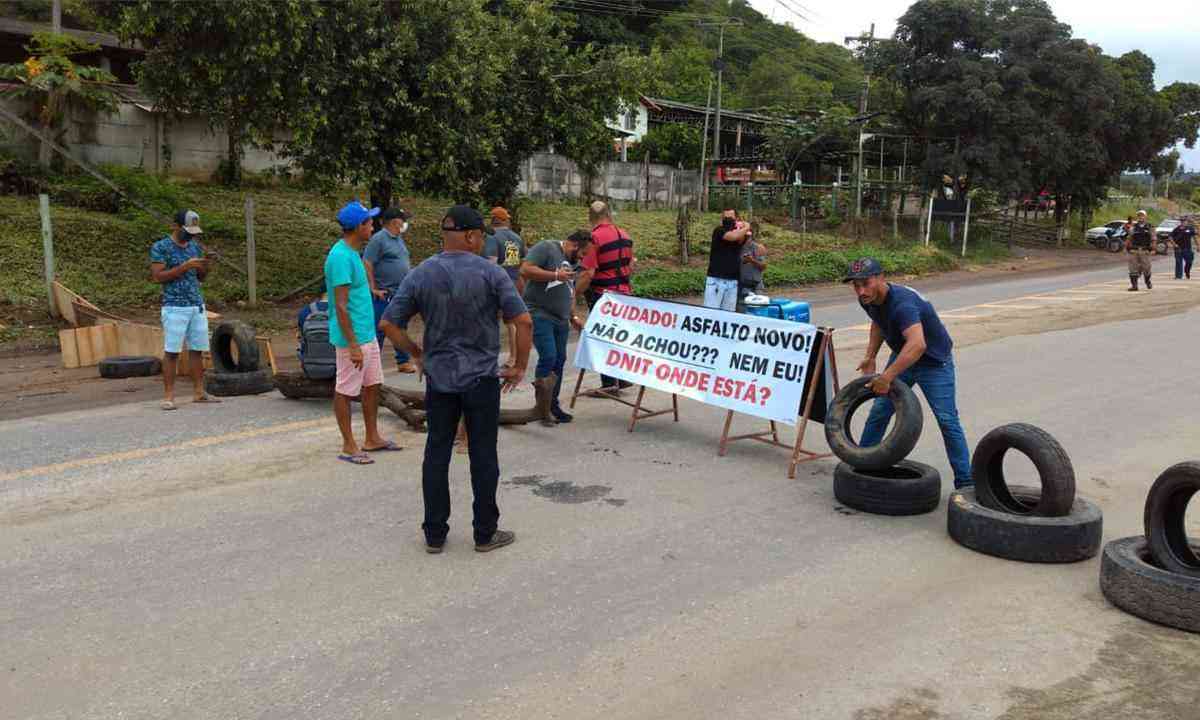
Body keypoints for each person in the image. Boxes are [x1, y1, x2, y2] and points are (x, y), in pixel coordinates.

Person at [381, 205, 532, 554]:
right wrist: (519, 366)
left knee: (436, 452)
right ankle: (485, 533)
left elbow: (389, 324)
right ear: (470, 236)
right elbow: (523, 321)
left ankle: (434, 534)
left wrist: (417, 353)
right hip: (481, 379)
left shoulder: (421, 273)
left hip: (440, 380)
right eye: (480, 236)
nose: (481, 242)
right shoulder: (491, 274)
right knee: (482, 455)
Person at [844, 257, 972, 490]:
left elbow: (918, 345)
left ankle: (966, 483)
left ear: (881, 278)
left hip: (934, 362)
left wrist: (887, 376)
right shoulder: (868, 299)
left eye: (866, 283)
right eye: (856, 285)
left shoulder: (903, 304)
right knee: (880, 411)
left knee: (947, 421)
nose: (861, 290)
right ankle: (862, 464)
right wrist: (871, 356)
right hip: (904, 355)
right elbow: (878, 323)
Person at [324, 201, 399, 466]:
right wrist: (353, 344)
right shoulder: (340, 257)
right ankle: (348, 444)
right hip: (351, 338)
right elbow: (341, 306)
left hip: (366, 334)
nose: (372, 226)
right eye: (369, 222)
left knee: (372, 386)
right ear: (358, 227)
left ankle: (372, 437)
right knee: (345, 390)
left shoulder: (353, 252)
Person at [520, 228, 592, 425]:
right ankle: (541, 407)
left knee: (560, 359)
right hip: (540, 312)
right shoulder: (546, 247)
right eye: (583, 253)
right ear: (575, 245)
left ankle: (552, 404)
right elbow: (525, 269)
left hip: (561, 318)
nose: (583, 258)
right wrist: (554, 275)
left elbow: (570, 290)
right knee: (549, 356)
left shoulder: (574, 262)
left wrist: (573, 316)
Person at [149, 209, 219, 411]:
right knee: (172, 351)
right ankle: (169, 397)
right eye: (188, 230)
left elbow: (201, 278)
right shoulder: (160, 247)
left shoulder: (194, 247)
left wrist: (206, 264)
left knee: (197, 349)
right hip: (174, 306)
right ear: (176, 226)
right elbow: (158, 277)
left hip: (196, 304)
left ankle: (199, 392)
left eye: (194, 231)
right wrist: (185, 266)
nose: (192, 234)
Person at [576, 200, 634, 391]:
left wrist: (573, 293)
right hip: (624, 294)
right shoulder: (624, 234)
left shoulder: (594, 238)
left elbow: (588, 273)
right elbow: (630, 266)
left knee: (603, 338)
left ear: (590, 217)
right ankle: (622, 377)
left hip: (603, 295)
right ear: (609, 214)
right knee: (619, 336)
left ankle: (609, 384)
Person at [364, 206, 416, 373]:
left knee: (399, 326)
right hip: (384, 293)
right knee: (379, 328)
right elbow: (367, 263)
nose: (405, 224)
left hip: (399, 292)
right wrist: (373, 287)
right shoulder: (378, 239)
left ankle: (403, 361)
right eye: (403, 220)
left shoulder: (398, 239)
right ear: (396, 222)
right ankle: (372, 366)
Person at [705, 207, 752, 311]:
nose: (727, 220)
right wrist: (746, 227)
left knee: (728, 313)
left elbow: (740, 239)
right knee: (711, 313)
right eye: (725, 217)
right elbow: (732, 237)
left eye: (730, 217)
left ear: (736, 218)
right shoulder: (719, 230)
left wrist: (741, 228)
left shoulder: (740, 233)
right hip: (716, 280)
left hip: (732, 280)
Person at [736, 232, 768, 313]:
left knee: (759, 311)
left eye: (748, 236)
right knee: (741, 313)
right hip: (741, 286)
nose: (747, 238)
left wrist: (752, 260)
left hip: (757, 286)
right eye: (745, 236)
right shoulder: (736, 247)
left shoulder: (758, 248)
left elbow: (763, 266)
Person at [1126, 210, 1155, 291]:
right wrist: (1127, 248)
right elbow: (1129, 238)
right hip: (1134, 250)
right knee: (1132, 268)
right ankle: (1134, 286)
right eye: (1139, 216)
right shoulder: (1133, 227)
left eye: (1142, 216)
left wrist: (1153, 249)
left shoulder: (1150, 227)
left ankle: (1147, 281)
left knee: (1147, 268)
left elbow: (1153, 239)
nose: (1140, 217)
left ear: (1145, 217)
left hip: (1145, 250)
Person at [1171, 216, 1196, 280]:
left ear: (1187, 222)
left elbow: (1194, 237)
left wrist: (1198, 245)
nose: (1183, 222)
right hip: (1178, 248)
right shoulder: (1176, 229)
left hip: (1187, 248)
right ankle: (1178, 276)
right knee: (1178, 262)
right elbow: (1170, 237)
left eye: (1184, 221)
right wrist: (1174, 244)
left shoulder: (1190, 228)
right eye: (1182, 221)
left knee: (1189, 261)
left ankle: (1187, 271)